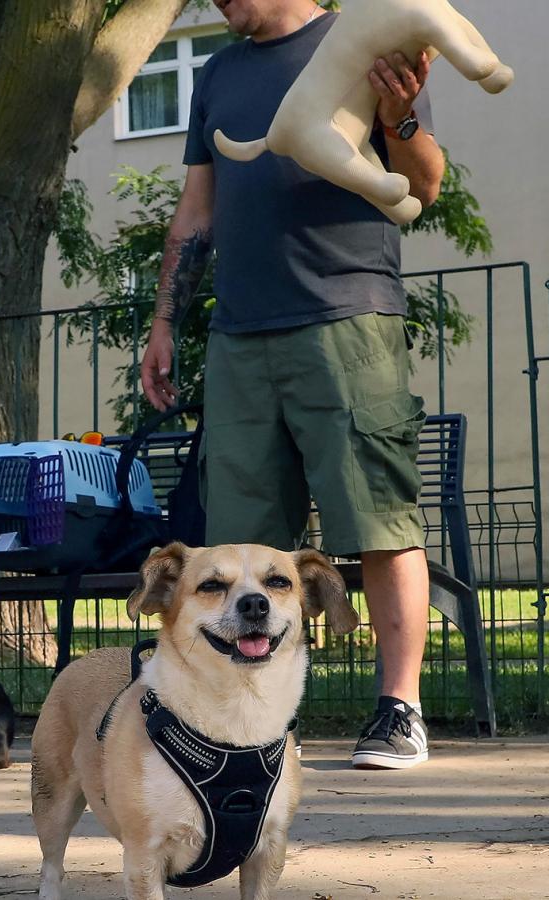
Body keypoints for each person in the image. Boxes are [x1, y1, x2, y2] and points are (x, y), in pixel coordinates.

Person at [140, 0, 443, 769]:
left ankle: (399, 711)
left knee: (377, 517)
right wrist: (164, 324)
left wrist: (401, 120)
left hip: (348, 317)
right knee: (239, 544)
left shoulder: (361, 41)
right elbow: (195, 213)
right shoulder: (217, 72)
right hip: (240, 335)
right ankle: (254, 729)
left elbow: (425, 187)